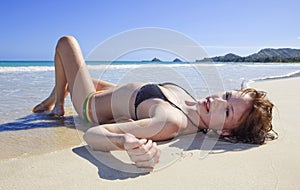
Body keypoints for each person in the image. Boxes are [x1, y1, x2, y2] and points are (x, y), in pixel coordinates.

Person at [33, 36, 277, 168]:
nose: (215, 102)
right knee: (77, 74)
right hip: (114, 92)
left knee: (66, 44)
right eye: (225, 96)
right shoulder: (192, 103)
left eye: (226, 111)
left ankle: (59, 104)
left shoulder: (170, 121)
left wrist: (123, 140)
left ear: (224, 131)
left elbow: (93, 135)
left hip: (91, 105)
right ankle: (57, 95)